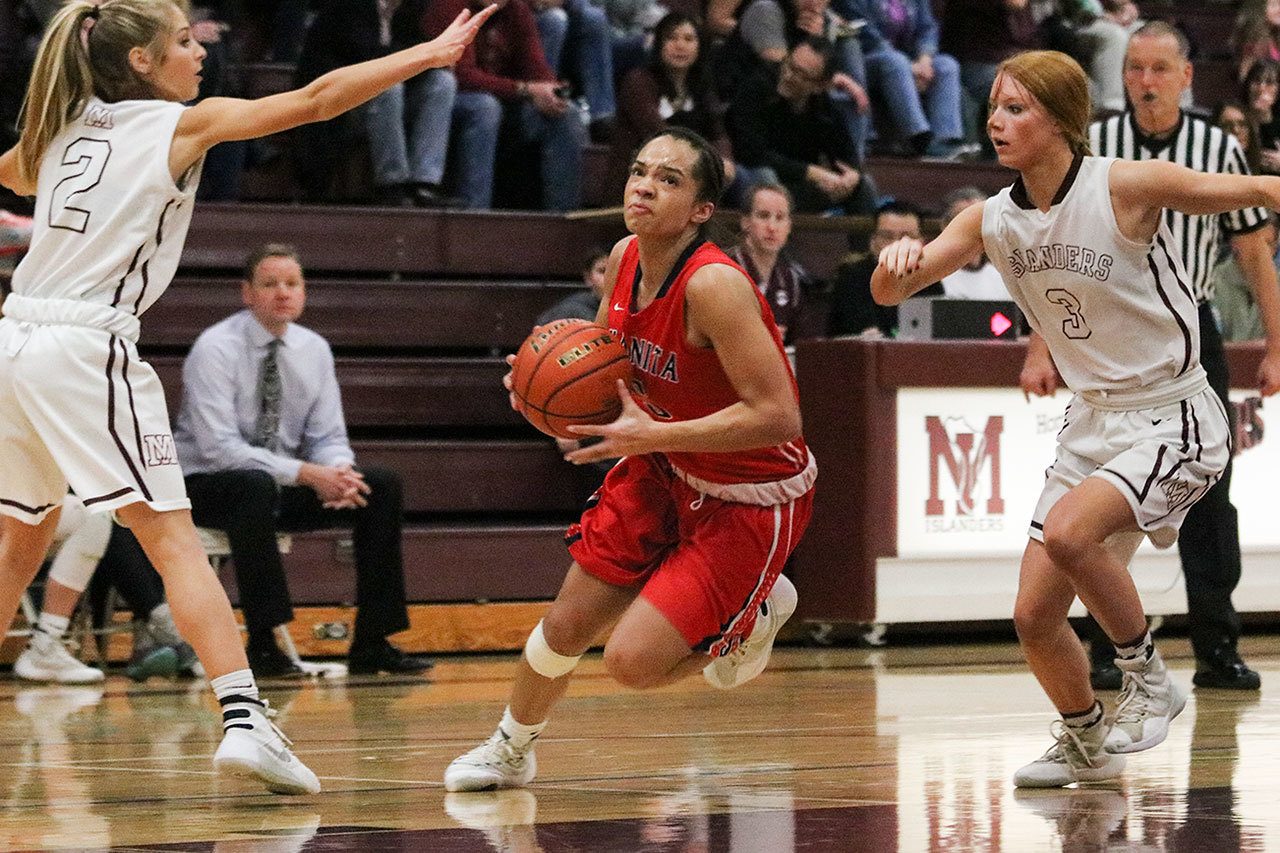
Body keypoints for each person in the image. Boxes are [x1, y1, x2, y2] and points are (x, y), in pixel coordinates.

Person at [0, 0, 493, 796]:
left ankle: (244, 712)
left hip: (13, 339)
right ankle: (245, 716)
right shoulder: (177, 126)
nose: (199, 55)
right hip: (84, 343)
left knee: (17, 541)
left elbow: (14, 172)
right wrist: (426, 55)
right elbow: (317, 98)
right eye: (185, 43)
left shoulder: (64, 126)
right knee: (172, 538)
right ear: (140, 64)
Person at [871, 47, 1280, 788]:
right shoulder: (991, 218)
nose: (996, 120)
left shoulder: (1122, 184)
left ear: (1061, 120)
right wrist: (894, 261)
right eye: (993, 106)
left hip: (1173, 412)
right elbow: (892, 292)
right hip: (1093, 422)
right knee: (1032, 616)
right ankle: (1085, 733)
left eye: (1016, 107)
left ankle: (1150, 678)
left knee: (1068, 533)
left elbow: (1246, 188)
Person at [443, 127, 816, 792]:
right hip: (662, 464)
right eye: (640, 171)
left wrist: (653, 437)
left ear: (703, 210)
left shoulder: (715, 287)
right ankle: (511, 746)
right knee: (564, 623)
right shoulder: (622, 258)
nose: (643, 185)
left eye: (669, 179)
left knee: (632, 662)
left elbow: (780, 416)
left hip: (750, 491)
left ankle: (755, 612)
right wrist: (541, 390)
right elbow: (613, 376)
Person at [1032, 22, 1280, 692]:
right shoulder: (1097, 144)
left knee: (1210, 497)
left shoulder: (1218, 147)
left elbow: (1254, 252)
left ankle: (1217, 646)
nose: (1144, 81)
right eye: (1135, 67)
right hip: (1104, 333)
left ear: (1186, 76)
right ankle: (1109, 647)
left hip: (1190, 328)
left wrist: (1278, 347)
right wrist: (1040, 345)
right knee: (1102, 501)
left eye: (1159, 69)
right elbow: (1046, 251)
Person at [173, 244, 435, 679]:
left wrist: (338, 473)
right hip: (207, 482)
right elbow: (219, 448)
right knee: (251, 485)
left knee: (380, 486)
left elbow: (327, 436)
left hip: (278, 481)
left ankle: (373, 641)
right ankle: (263, 641)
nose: (283, 293)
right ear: (247, 293)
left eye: (292, 284)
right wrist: (305, 473)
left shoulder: (314, 349)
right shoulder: (215, 348)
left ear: (304, 292)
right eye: (270, 284)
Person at [424, 0, 588, 212]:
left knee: (567, 113)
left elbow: (536, 67)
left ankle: (564, 219)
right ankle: (475, 214)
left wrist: (551, 90)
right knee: (485, 107)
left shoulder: (516, 10)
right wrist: (524, 89)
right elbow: (462, 76)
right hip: (447, 102)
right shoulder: (451, 6)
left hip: (505, 100)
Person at [727, 36, 878, 215]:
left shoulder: (824, 106)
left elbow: (845, 154)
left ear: (820, 86)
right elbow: (751, 154)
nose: (789, 76)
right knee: (766, 179)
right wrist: (813, 172)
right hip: (755, 180)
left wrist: (852, 176)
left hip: (798, 187)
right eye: (789, 65)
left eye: (801, 75)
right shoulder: (757, 87)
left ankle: (866, 244)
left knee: (864, 185)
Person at [827, 200, 940, 337]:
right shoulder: (851, 277)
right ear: (873, 240)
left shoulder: (930, 279)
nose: (896, 244)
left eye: (907, 237)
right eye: (887, 236)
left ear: (921, 241)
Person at [726, 182, 809, 341]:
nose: (772, 227)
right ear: (746, 222)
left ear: (789, 226)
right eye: (763, 216)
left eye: (780, 218)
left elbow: (802, 345)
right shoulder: (723, 270)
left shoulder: (791, 279)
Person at [937, 187, 1009, 300]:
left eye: (981, 221)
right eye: (967, 223)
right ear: (945, 227)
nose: (975, 230)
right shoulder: (935, 280)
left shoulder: (1005, 280)